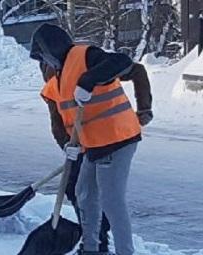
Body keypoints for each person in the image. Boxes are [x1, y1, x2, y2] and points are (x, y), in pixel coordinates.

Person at [30, 24, 153, 255]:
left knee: (112, 201)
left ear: (50, 51)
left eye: (43, 58)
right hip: (94, 145)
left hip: (117, 138)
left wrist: (88, 80)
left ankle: (125, 251)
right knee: (84, 193)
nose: (44, 65)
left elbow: (122, 62)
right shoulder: (57, 79)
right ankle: (91, 249)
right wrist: (69, 145)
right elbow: (64, 122)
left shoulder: (84, 56)